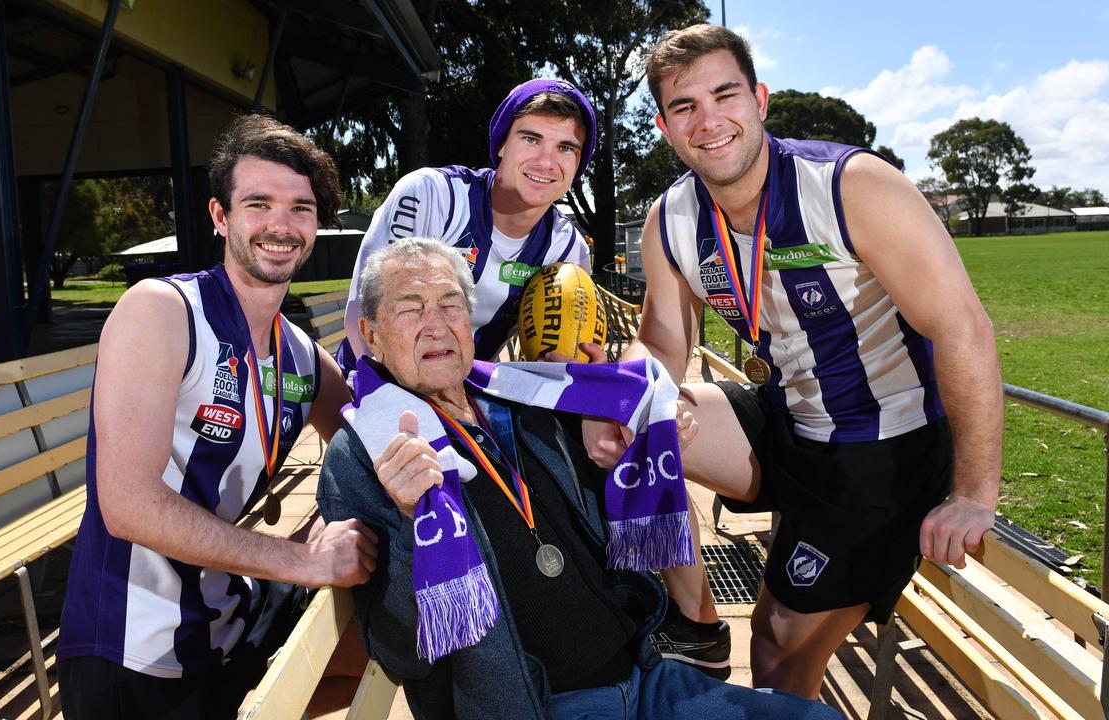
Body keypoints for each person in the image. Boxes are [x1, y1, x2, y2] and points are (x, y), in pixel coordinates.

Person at [592, 24, 1003, 698]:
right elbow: (664, 343)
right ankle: (694, 624)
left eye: (724, 95)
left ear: (759, 99)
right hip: (789, 416)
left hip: (882, 446)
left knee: (780, 646)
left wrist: (973, 493)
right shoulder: (670, 218)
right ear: (665, 127)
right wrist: (640, 394)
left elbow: (965, 331)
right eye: (684, 106)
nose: (709, 120)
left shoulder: (853, 186)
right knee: (623, 425)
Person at [316, 237, 843, 719]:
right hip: (541, 705)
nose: (436, 323)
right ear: (372, 336)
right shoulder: (367, 454)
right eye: (410, 309)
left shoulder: (525, 399)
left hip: (645, 675)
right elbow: (399, 648)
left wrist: (636, 433)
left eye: (450, 304)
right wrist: (412, 524)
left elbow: (602, 517)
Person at [56, 114, 379, 719]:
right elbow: (126, 502)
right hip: (133, 652)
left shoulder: (301, 355)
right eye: (258, 204)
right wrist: (305, 559)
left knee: (373, 617)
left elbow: (370, 439)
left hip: (228, 620)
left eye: (301, 208)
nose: (280, 225)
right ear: (220, 216)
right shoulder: (161, 311)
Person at [338, 78, 596, 367]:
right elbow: (368, 313)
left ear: (578, 164)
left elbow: (562, 351)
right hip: (371, 380)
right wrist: (387, 394)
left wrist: (578, 371)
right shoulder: (432, 196)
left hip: (465, 392)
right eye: (531, 139)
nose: (546, 162)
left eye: (565, 148)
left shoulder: (568, 249)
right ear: (501, 145)